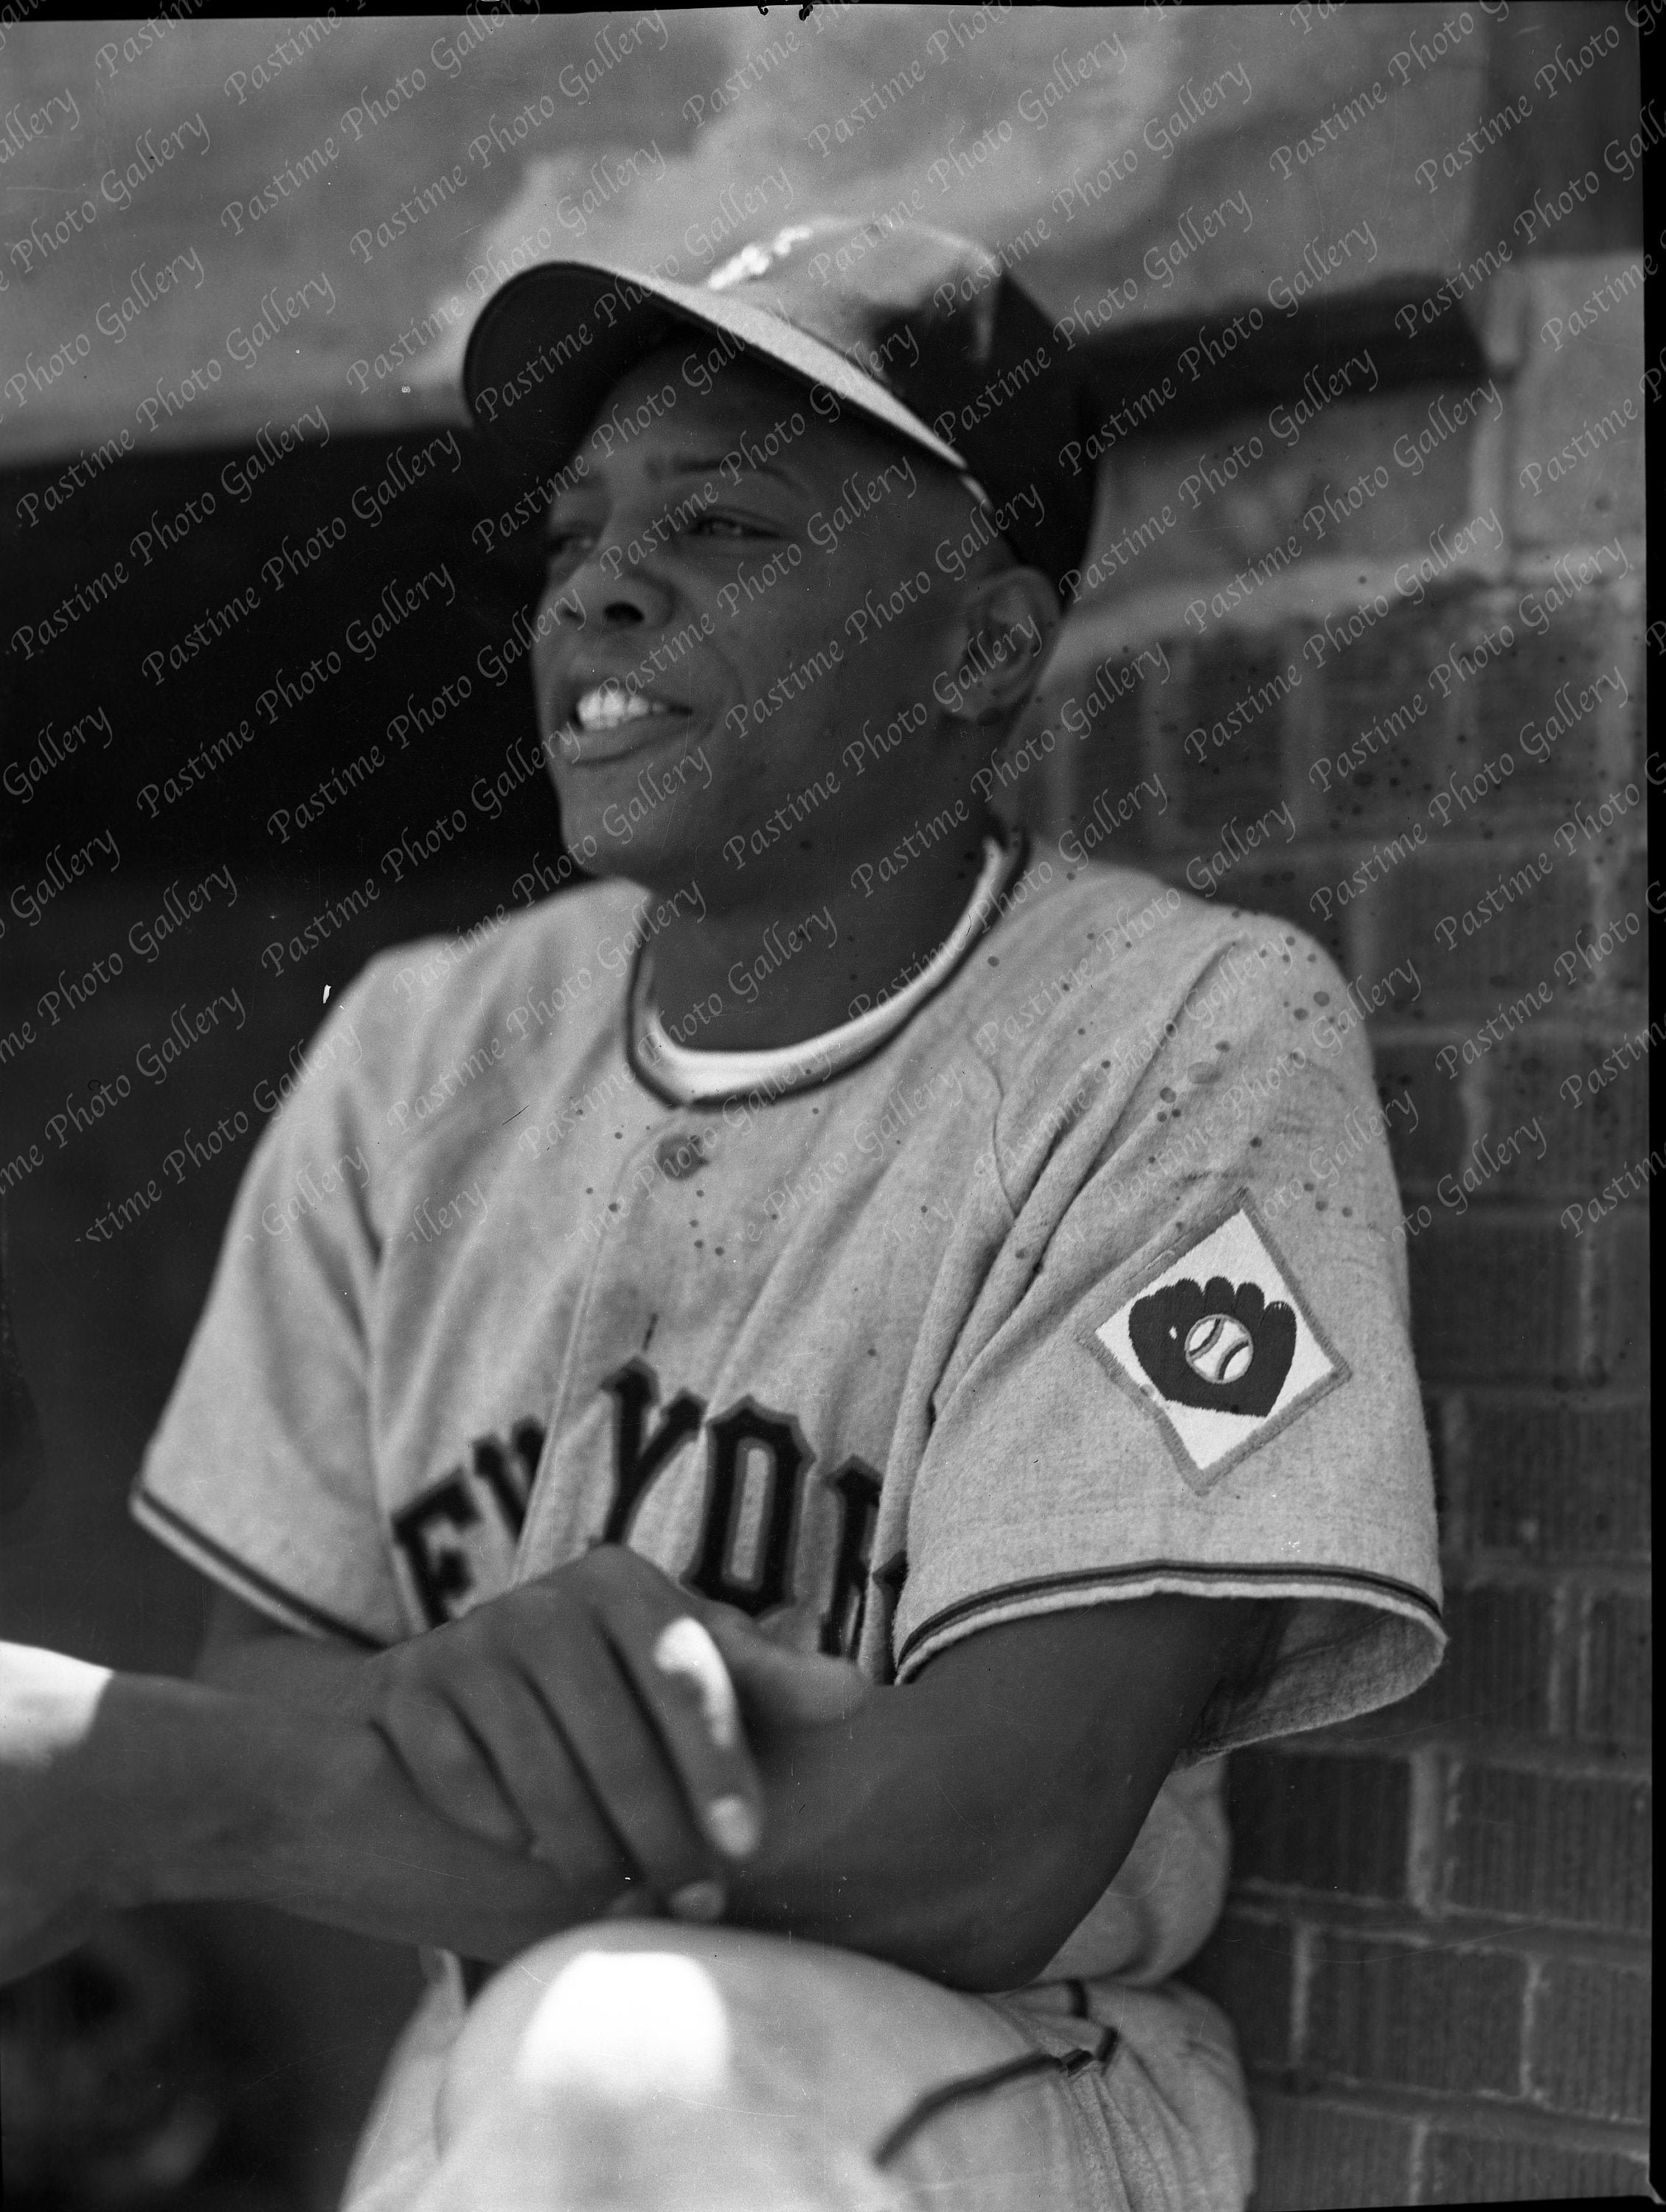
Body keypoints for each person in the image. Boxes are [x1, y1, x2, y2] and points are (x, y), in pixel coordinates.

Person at [0, 218, 1443, 2211]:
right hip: (488, 2061)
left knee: (614, 2053)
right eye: (575, 533)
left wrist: (167, 1791)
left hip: (991, 2064)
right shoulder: (421, 1045)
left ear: (979, 646)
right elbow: (271, 1662)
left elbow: (995, 1844)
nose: (597, 585)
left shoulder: (1182, 1034)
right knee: (556, 2055)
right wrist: (404, 1720)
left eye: (726, 525)